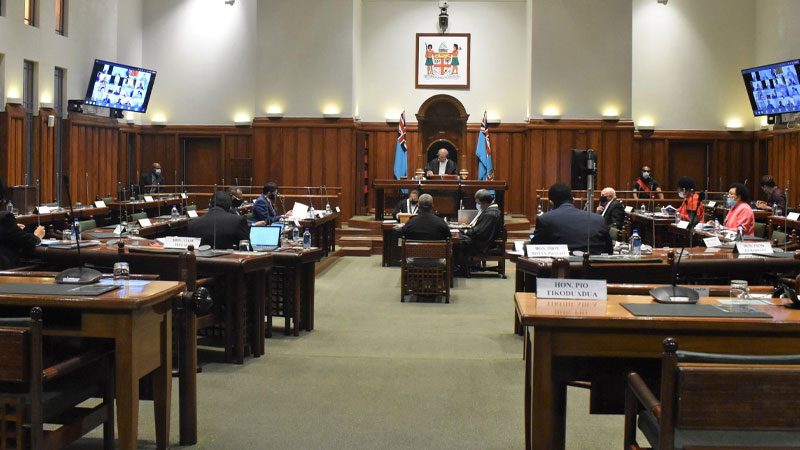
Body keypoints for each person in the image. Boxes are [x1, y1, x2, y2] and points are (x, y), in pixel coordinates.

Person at [532, 183, 612, 255]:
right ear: (573, 200)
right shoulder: (599, 219)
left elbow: (534, 249)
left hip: (561, 266)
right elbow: (609, 251)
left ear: (551, 202)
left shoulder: (545, 219)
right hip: (594, 266)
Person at [453, 189, 504, 275]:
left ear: (485, 202)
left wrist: (465, 231)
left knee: (457, 242)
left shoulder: (490, 214)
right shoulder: (491, 211)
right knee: (459, 237)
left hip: (484, 244)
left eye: (479, 203)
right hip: (484, 240)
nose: (478, 206)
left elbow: (479, 232)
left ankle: (462, 269)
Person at [0, 179, 45, 270]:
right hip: (7, 273)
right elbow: (29, 241)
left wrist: (13, 228)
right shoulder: (4, 218)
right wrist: (37, 235)